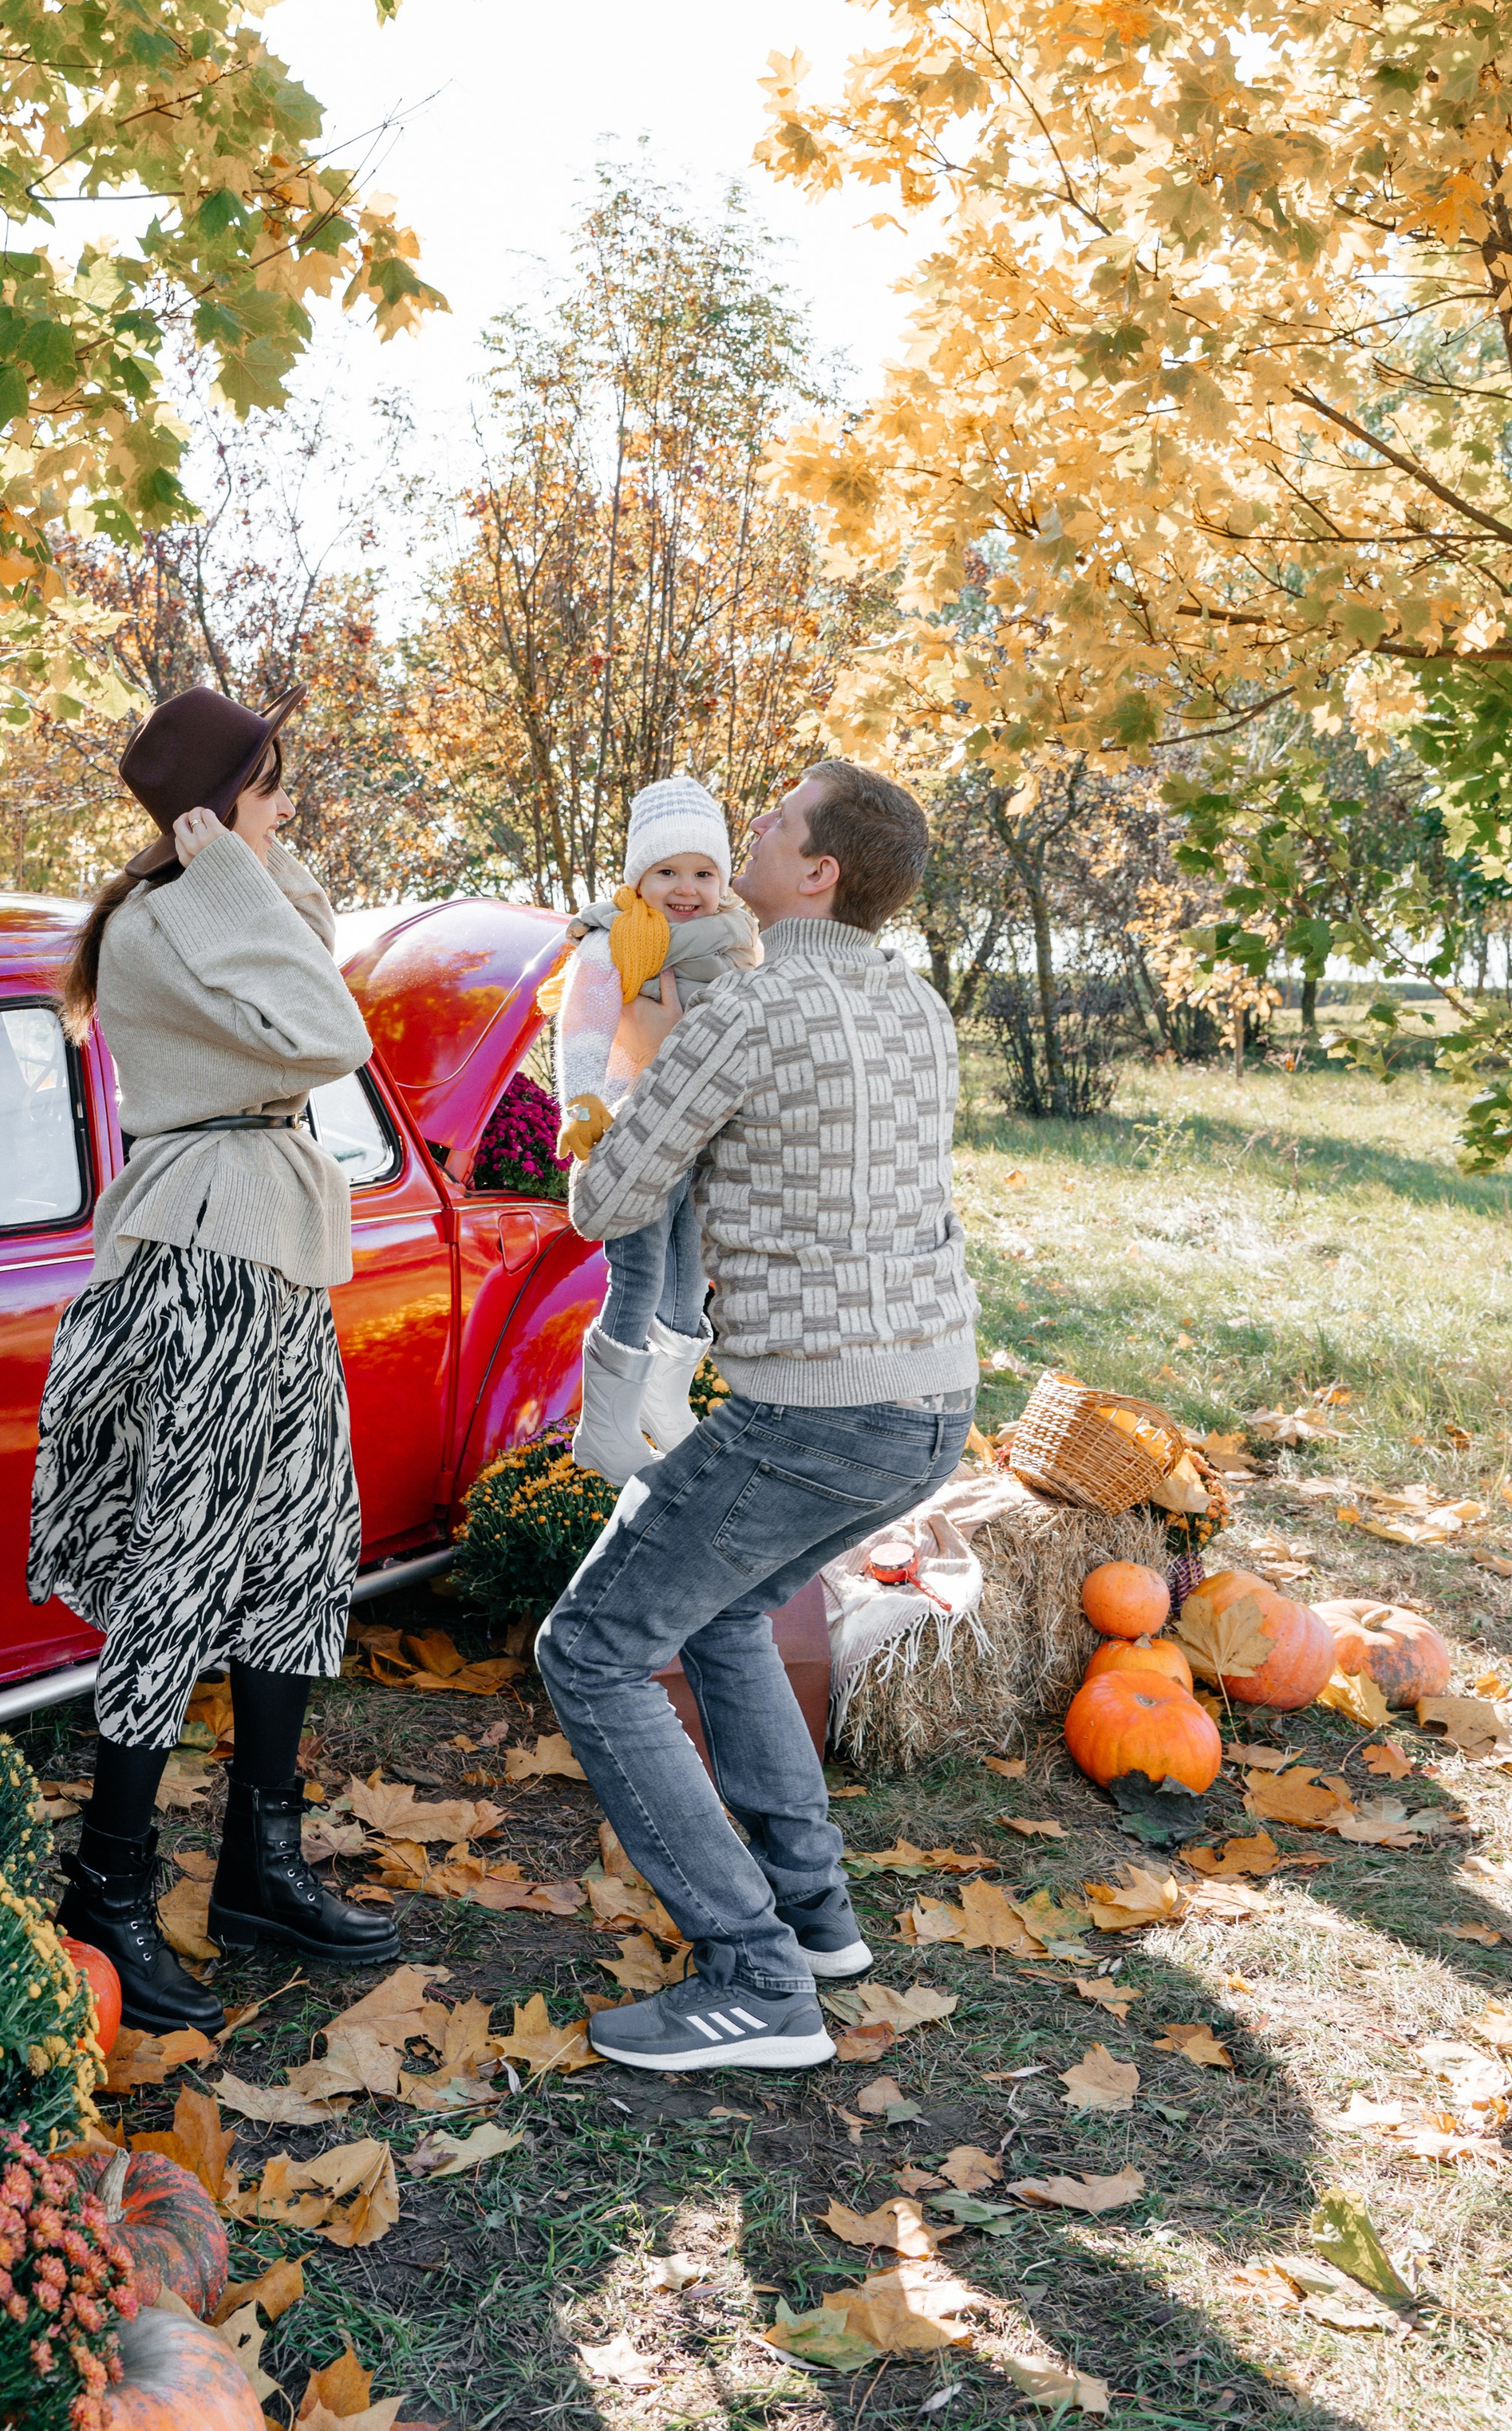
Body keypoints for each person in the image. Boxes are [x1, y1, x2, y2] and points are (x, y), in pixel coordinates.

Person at [536, 760, 979, 2074]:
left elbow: (606, 1203)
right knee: (723, 1612)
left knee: (595, 1649)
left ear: (819, 871)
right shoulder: (921, 1007)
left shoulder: (749, 1004)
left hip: (809, 1417)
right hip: (934, 1402)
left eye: (774, 824)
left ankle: (756, 1981)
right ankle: (812, 1909)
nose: (747, 842)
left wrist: (593, 1086)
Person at [28, 683, 398, 2034]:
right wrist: (224, 856)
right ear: (213, 804)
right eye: (273, 785)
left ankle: (261, 1862)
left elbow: (310, 962)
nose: (291, 806)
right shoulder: (166, 917)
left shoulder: (210, 896)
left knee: (302, 1550)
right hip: (202, 1263)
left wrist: (244, 849)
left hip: (268, 1251)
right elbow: (329, 1032)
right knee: (181, 1564)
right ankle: (107, 1888)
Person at [547, 775, 759, 1484]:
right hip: (630, 1125)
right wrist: (582, 1108)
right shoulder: (614, 942)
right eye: (667, 870)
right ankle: (603, 1429)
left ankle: (664, 1404)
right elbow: (582, 1029)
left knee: (688, 1265)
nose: (686, 886)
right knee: (638, 1270)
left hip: (702, 1132)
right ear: (640, 875)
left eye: (703, 872)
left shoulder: (733, 945)